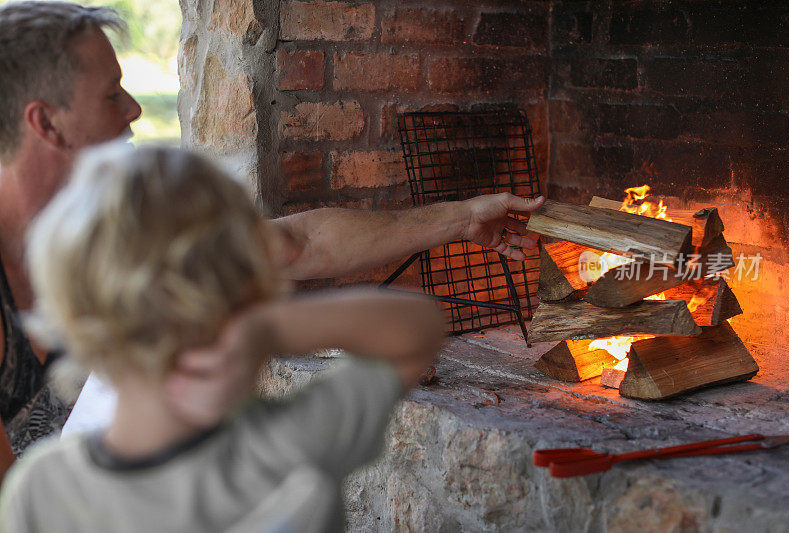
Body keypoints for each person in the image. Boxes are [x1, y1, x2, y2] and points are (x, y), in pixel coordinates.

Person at [0, 1, 543, 472]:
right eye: (111, 94)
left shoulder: (121, 230)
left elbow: (301, 244)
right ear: (45, 123)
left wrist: (463, 218)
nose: (134, 109)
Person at [0, 144, 444, 532]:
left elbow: (419, 326)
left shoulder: (44, 491)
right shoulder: (290, 445)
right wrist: (266, 325)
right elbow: (418, 328)